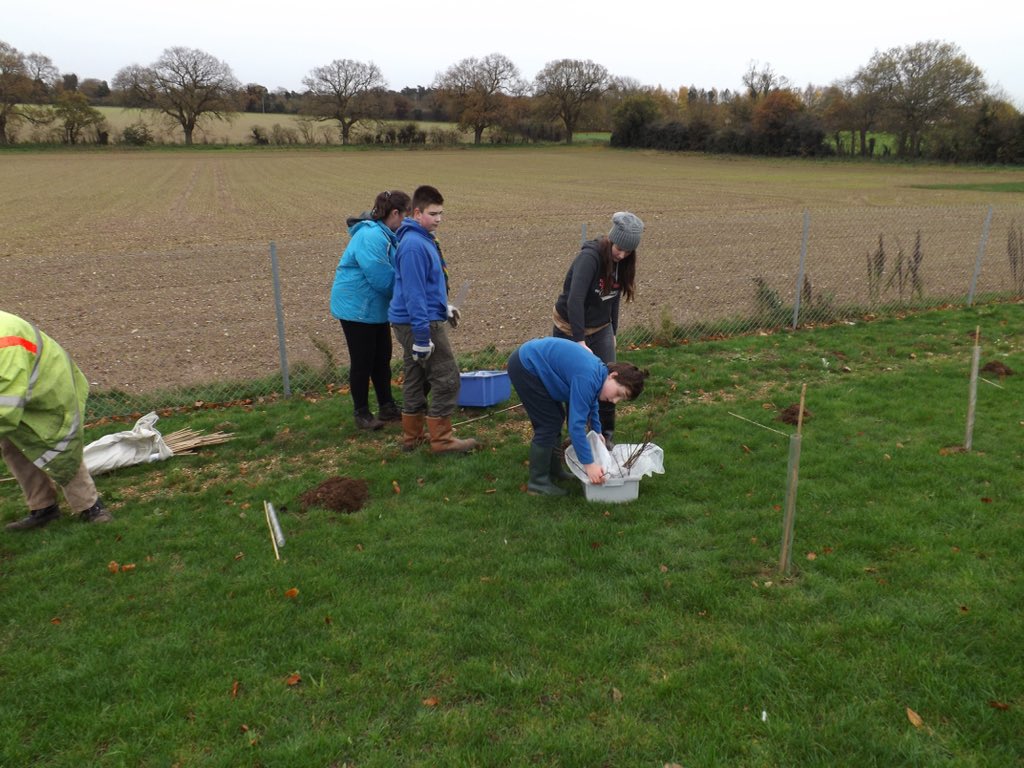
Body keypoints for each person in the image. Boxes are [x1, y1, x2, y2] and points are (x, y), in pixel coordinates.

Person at [1, 310, 111, 530]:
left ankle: (90, 506)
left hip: (49, 388)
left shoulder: (5, 344)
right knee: (12, 445)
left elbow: (5, 405)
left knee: (60, 446)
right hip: (17, 388)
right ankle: (43, 509)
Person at [388, 185, 477, 454]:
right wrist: (423, 338)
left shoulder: (422, 238)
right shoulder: (415, 245)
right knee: (447, 377)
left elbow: (426, 288)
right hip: (420, 324)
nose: (439, 219)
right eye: (433, 213)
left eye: (441, 213)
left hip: (419, 319)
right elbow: (414, 296)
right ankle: (442, 440)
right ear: (416, 213)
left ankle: (412, 437)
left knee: (416, 377)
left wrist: (444, 307)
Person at [507, 337, 648, 496]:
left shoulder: (598, 374)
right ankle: (537, 482)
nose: (615, 401)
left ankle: (554, 471)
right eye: (618, 394)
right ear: (613, 376)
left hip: (533, 364)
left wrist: (597, 430)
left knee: (555, 419)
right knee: (548, 423)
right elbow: (576, 426)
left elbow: (592, 402)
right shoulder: (587, 377)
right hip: (526, 365)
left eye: (621, 399)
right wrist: (589, 465)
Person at [552, 211, 644, 447]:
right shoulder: (590, 258)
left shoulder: (621, 263)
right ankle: (577, 437)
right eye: (619, 248)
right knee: (578, 382)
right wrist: (580, 340)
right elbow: (575, 299)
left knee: (609, 380)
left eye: (628, 251)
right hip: (571, 327)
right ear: (612, 239)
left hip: (601, 327)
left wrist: (612, 331)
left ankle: (605, 435)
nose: (622, 254)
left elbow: (613, 297)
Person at [330, 190, 411, 431]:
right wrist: (412, 297)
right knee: (363, 361)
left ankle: (386, 406)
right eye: (406, 215)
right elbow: (383, 279)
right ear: (395, 213)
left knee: (382, 358)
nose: (407, 221)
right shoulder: (371, 237)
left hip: (373, 308)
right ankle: (362, 413)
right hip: (356, 308)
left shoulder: (387, 235)